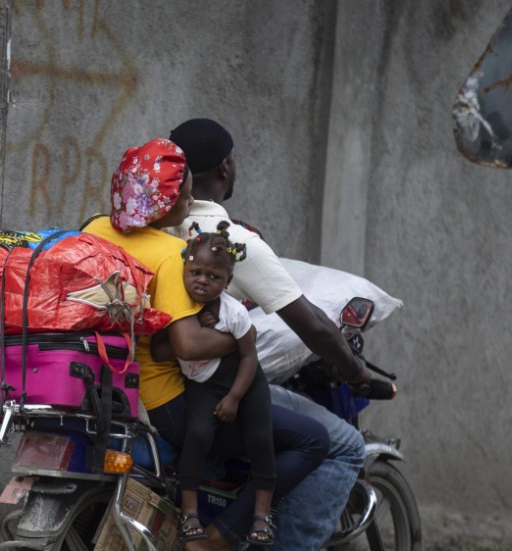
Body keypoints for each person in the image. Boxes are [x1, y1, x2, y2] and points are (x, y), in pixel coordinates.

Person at [83, 137, 330, 551]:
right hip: (169, 405)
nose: (191, 198)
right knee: (314, 439)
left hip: (112, 386)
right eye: (184, 192)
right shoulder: (172, 252)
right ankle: (221, 537)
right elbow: (188, 344)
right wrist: (242, 339)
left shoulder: (94, 227)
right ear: (166, 202)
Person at [168, 118, 372, 550]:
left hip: (154, 386)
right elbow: (314, 326)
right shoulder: (232, 243)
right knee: (344, 445)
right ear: (224, 168)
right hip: (207, 389)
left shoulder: (150, 227)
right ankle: (230, 536)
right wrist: (354, 370)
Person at [151, 222, 276, 546]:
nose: (202, 281)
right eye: (196, 273)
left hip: (243, 380)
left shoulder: (234, 314)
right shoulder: (179, 310)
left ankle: (262, 514)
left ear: (228, 281)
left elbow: (249, 356)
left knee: (260, 438)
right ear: (185, 269)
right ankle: (189, 514)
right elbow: (159, 350)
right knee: (198, 435)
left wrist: (235, 397)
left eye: (214, 277)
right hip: (203, 384)